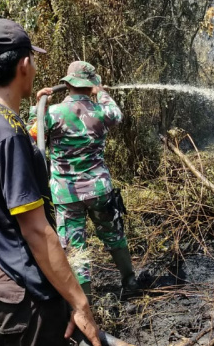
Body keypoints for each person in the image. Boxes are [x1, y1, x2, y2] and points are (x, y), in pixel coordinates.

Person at [0, 18, 102, 346]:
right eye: (33, 60)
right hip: (22, 292)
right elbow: (35, 231)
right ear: (23, 65)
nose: (35, 68)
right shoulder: (9, 135)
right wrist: (80, 304)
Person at [30, 61, 139, 302]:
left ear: (68, 83)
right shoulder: (102, 112)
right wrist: (101, 93)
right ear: (90, 85)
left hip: (67, 195)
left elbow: (33, 134)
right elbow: (116, 114)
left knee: (75, 247)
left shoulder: (53, 113)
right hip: (99, 189)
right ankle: (130, 281)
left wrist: (38, 104)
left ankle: (86, 303)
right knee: (113, 234)